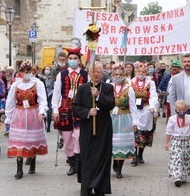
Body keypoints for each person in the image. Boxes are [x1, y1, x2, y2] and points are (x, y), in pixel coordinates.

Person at [73, 62, 115, 196]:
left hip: (103, 128)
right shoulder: (82, 88)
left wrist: (98, 96)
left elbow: (111, 104)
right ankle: (86, 187)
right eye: (93, 71)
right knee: (87, 156)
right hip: (87, 127)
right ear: (89, 73)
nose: (96, 74)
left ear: (102, 74)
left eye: (98, 72)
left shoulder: (108, 87)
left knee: (102, 156)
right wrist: (87, 112)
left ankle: (100, 188)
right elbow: (75, 108)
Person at [4, 60, 48, 179]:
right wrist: (8, 117)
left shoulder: (38, 83)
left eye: (30, 71)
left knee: (32, 139)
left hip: (33, 113)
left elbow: (43, 99)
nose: (28, 73)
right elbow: (10, 102)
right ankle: (19, 169)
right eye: (25, 71)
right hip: (19, 114)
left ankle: (32, 161)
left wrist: (42, 112)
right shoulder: (15, 85)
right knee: (20, 141)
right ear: (21, 72)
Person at [52, 48, 88, 176]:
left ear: (79, 60)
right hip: (65, 110)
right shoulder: (61, 75)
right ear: (68, 60)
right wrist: (55, 110)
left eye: (75, 58)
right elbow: (56, 94)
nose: (73, 61)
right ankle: (71, 162)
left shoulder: (85, 74)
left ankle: (79, 162)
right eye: (71, 58)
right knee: (67, 139)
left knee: (78, 137)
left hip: (80, 109)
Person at [129, 63, 159, 166]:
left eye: (143, 72)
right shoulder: (131, 82)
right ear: (136, 72)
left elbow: (154, 96)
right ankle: (134, 155)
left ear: (146, 73)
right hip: (135, 109)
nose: (141, 74)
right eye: (139, 72)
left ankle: (140, 154)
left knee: (144, 133)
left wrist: (152, 106)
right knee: (135, 132)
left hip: (146, 109)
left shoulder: (150, 83)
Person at [109, 66, 135, 179]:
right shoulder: (109, 87)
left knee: (122, 143)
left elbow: (133, 106)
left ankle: (120, 168)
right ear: (112, 76)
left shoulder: (129, 89)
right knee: (113, 143)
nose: (118, 76)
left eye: (120, 74)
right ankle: (115, 161)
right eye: (116, 74)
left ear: (124, 76)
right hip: (111, 118)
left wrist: (135, 122)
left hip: (125, 117)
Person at [41, 65, 53, 132]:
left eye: (48, 69)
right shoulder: (42, 78)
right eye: (46, 69)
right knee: (44, 111)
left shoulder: (52, 78)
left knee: (49, 111)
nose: (47, 71)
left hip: (50, 96)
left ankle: (49, 126)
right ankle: (44, 125)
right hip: (43, 96)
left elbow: (53, 88)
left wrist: (48, 95)